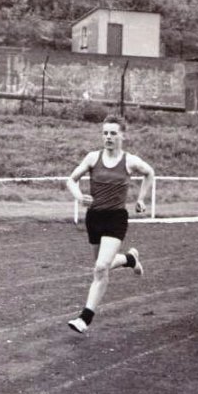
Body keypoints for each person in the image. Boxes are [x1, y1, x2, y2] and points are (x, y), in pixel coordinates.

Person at [66, 115, 155, 334]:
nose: (108, 137)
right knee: (100, 264)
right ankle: (129, 259)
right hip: (94, 217)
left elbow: (149, 173)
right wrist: (78, 196)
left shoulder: (130, 161)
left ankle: (85, 318)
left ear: (122, 135)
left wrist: (141, 198)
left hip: (116, 218)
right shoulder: (92, 158)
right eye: (105, 133)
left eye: (113, 133)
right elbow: (71, 180)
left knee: (100, 268)